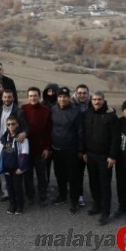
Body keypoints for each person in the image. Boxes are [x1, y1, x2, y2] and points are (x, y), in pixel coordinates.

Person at [82, 91, 119, 226]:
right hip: (90, 155)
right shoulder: (88, 114)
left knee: (105, 184)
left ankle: (105, 212)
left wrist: (113, 156)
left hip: (105, 157)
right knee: (93, 182)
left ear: (104, 100)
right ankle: (97, 205)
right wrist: (84, 151)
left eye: (99, 99)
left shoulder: (111, 116)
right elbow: (85, 134)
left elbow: (116, 138)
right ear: (91, 101)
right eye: (94, 99)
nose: (97, 102)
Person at [50, 87, 84, 215]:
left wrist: (80, 149)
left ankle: (74, 201)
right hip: (56, 148)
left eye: (64, 96)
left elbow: (80, 132)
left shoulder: (76, 112)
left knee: (73, 177)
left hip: (71, 149)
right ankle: (62, 196)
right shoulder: (53, 109)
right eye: (60, 97)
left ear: (69, 98)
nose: (62, 99)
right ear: (57, 98)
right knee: (59, 175)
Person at [0, 89, 28, 201]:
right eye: (5, 97)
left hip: (13, 144)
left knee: (14, 170)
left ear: (13, 98)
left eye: (9, 97)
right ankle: (7, 192)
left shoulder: (19, 111)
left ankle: (17, 193)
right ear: (2, 98)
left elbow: (26, 127)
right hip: (1, 143)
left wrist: (24, 133)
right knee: (3, 169)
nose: (7, 99)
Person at [20, 87, 52, 206]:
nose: (33, 98)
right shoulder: (23, 109)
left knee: (41, 175)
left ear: (39, 97)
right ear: (28, 97)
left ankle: (43, 196)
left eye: (35, 96)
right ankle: (30, 196)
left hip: (40, 149)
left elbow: (49, 132)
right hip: (26, 149)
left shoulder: (46, 111)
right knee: (28, 175)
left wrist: (47, 148)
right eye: (31, 96)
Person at [0, 116, 29, 215]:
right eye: (8, 124)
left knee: (17, 188)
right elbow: (1, 153)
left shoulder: (21, 138)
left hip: (17, 168)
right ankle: (12, 205)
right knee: (10, 188)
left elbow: (25, 153)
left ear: (17, 124)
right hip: (7, 167)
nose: (11, 126)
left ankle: (20, 206)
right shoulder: (4, 138)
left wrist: (21, 167)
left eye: (13, 124)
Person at [73, 84, 91, 207]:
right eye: (79, 93)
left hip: (91, 145)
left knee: (93, 174)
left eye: (84, 93)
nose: (82, 95)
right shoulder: (71, 106)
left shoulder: (93, 105)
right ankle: (79, 195)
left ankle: (98, 198)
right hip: (75, 145)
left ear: (88, 94)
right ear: (75, 94)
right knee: (77, 173)